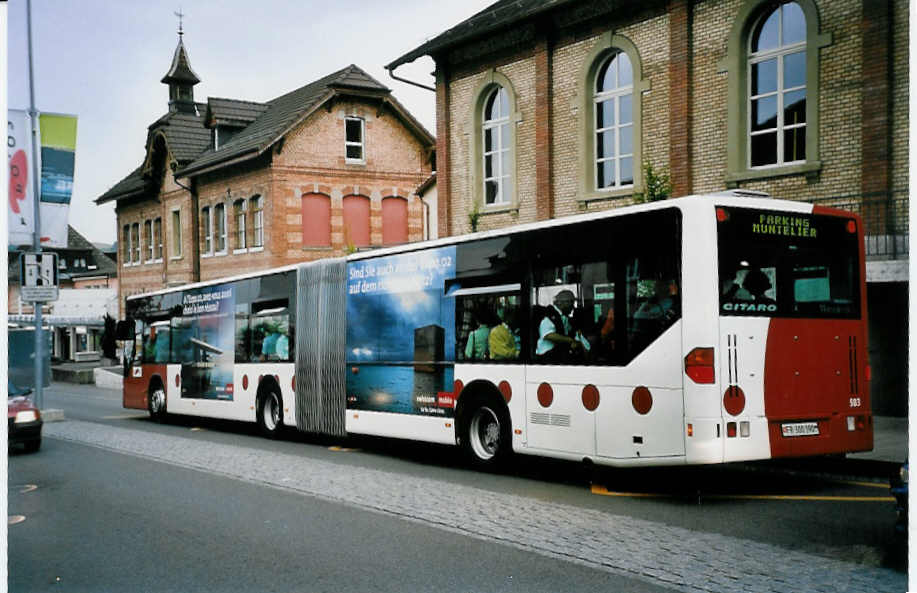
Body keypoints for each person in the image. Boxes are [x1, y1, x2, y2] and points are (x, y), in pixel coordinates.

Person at [536, 290, 589, 363]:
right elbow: (548, 335)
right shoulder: (549, 314)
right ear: (561, 302)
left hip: (557, 356)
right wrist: (571, 341)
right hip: (547, 357)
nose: (573, 306)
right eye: (571, 302)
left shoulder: (563, 317)